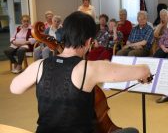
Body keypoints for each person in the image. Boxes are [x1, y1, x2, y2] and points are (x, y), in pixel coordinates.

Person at [10, 11, 151, 133]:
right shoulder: (90, 68)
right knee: (132, 131)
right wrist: (145, 75)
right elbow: (143, 70)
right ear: (89, 41)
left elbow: (14, 88)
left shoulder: (39, 65)